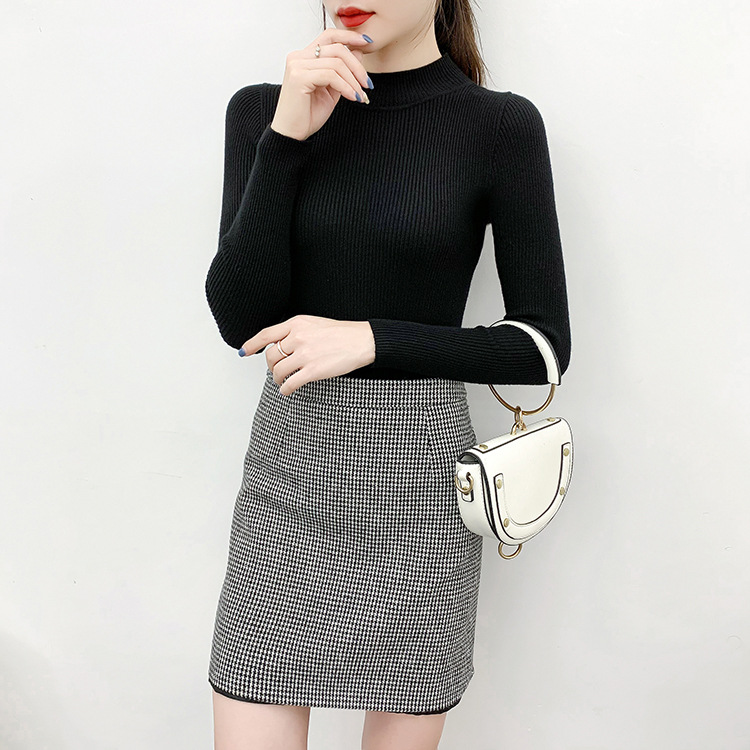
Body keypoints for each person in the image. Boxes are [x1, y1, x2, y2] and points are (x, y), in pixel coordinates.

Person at [204, 1, 572, 748]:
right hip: (289, 480)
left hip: (421, 495)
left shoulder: (499, 126)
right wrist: (286, 139)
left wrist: (372, 339)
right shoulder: (264, 111)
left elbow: (540, 348)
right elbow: (241, 320)